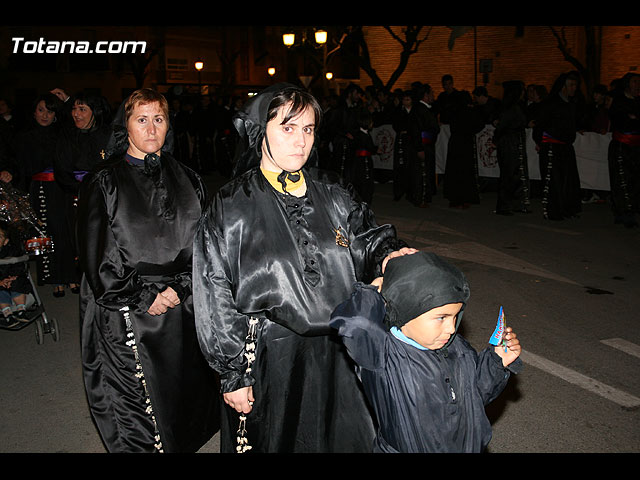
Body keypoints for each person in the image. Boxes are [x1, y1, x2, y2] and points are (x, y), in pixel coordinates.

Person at [193, 83, 412, 453]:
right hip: (273, 358)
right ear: (261, 131)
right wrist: (233, 374)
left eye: (308, 129)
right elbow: (213, 290)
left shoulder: (333, 190)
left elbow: (368, 235)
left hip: (342, 351)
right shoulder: (231, 206)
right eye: (288, 128)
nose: (300, 141)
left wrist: (387, 253)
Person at [76, 88, 220, 453]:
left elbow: (206, 242)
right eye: (142, 119)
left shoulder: (188, 177)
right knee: (139, 415)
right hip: (128, 307)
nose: (152, 128)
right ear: (126, 125)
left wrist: (183, 286)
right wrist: (143, 295)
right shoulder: (104, 180)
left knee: (182, 395)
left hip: (181, 302)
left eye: (159, 119)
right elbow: (98, 253)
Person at [330, 251, 523, 453]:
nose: (451, 328)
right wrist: (376, 288)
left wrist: (496, 362)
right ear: (406, 309)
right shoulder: (383, 356)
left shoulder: (458, 348)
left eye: (455, 317)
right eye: (441, 317)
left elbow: (472, 396)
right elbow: (356, 323)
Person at [54, 91, 112, 296]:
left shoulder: (108, 135)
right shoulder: (67, 136)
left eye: (82, 109)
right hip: (76, 195)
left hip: (105, 196)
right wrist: (80, 189)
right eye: (74, 109)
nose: (76, 114)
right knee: (80, 241)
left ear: (95, 112)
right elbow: (61, 169)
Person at [13, 93, 72, 291]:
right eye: (41, 110)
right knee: (45, 231)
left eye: (50, 111)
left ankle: (70, 275)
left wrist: (66, 100)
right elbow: (22, 168)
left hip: (62, 187)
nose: (45, 115)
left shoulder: (63, 133)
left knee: (67, 231)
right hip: (40, 189)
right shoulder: (24, 136)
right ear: (33, 112)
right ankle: (54, 278)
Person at [533, 72, 582, 221]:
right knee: (554, 180)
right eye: (571, 85)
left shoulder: (572, 103)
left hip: (566, 147)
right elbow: (540, 125)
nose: (574, 88)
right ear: (563, 86)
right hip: (551, 147)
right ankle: (554, 210)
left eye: (575, 85)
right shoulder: (550, 103)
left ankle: (567, 208)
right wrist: (540, 141)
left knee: (568, 179)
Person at [493, 81, 531, 215]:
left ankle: (515, 203)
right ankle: (504, 206)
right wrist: (496, 139)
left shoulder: (515, 107)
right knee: (508, 174)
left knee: (515, 174)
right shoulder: (510, 109)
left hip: (513, 142)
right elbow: (502, 127)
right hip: (508, 143)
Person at [607, 72, 640, 228]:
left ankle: (631, 209)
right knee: (621, 179)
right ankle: (624, 212)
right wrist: (631, 119)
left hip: (636, 147)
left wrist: (634, 119)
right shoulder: (619, 102)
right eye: (634, 82)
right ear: (628, 84)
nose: (637, 85)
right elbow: (621, 121)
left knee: (634, 179)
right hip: (621, 147)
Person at [443, 90, 485, 208]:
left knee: (454, 170)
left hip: (455, 142)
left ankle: (454, 198)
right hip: (466, 142)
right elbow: (479, 124)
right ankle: (466, 198)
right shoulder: (469, 111)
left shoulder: (453, 111)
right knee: (466, 171)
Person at [0, 221, 30, 329]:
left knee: (19, 283)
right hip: (1, 283)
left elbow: (19, 265)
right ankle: (8, 314)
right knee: (0, 292)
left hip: (12, 279)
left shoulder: (12, 251)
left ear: (5, 241)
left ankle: (21, 309)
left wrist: (12, 277)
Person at [414, 84, 440, 206]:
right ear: (426, 95)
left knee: (428, 170)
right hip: (423, 145)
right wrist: (419, 148)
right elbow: (416, 130)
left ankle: (426, 196)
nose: (433, 96)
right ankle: (421, 198)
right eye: (431, 93)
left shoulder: (427, 109)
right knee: (422, 172)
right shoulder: (419, 109)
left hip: (428, 144)